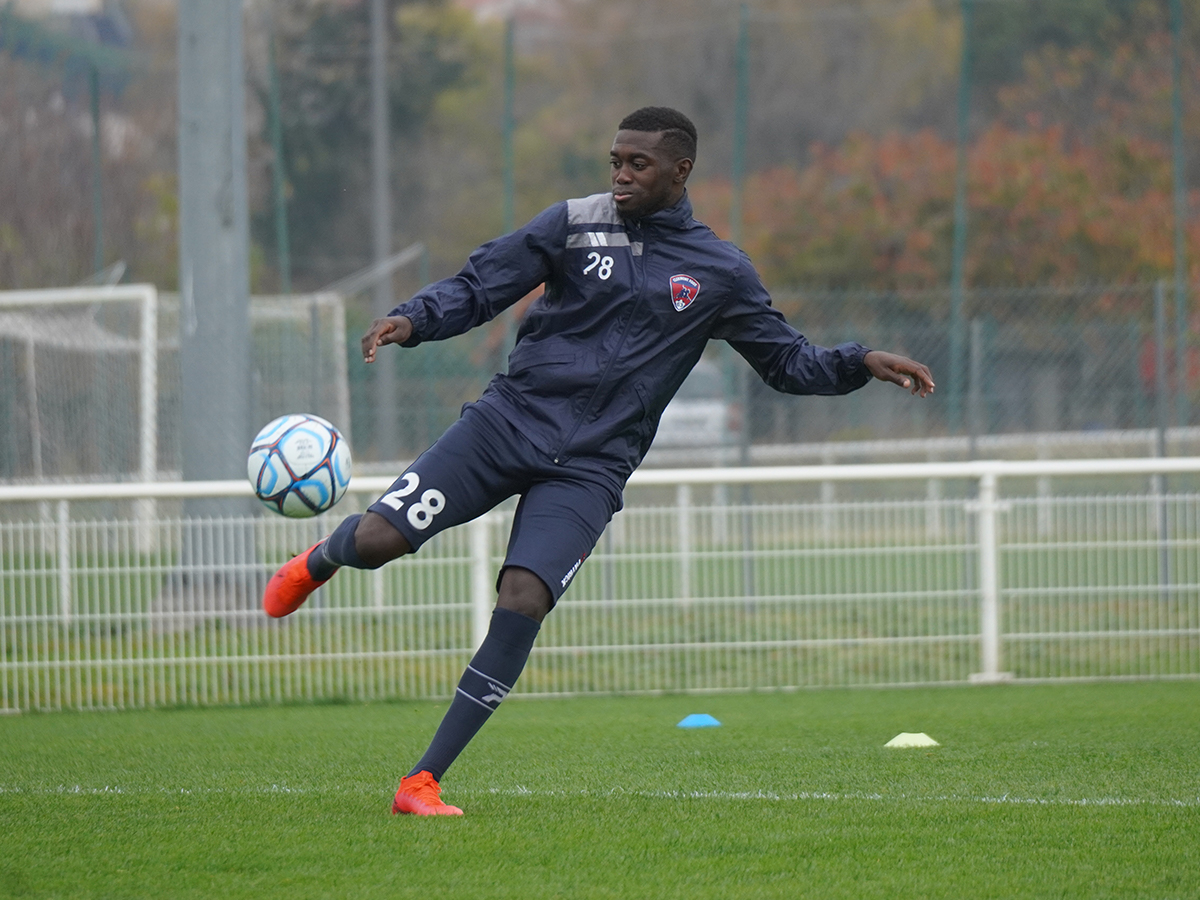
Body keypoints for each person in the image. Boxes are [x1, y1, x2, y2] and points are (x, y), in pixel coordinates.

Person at [262, 106, 934, 816]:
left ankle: (421, 781)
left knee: (523, 599)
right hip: (505, 424)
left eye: (637, 164)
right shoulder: (571, 224)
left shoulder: (720, 271)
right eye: (614, 160)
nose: (619, 174)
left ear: (681, 171)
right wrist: (413, 319)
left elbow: (789, 363)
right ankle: (318, 562)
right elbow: (480, 285)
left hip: (590, 468)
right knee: (378, 541)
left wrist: (860, 360)